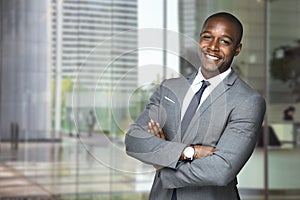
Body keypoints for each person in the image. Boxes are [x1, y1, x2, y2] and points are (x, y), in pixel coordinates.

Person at [125, 12, 266, 200]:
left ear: (237, 49)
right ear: (199, 40)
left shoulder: (247, 101)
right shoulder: (170, 88)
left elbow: (221, 170)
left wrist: (162, 163)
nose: (213, 47)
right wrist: (189, 152)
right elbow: (134, 140)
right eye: (207, 37)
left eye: (224, 41)